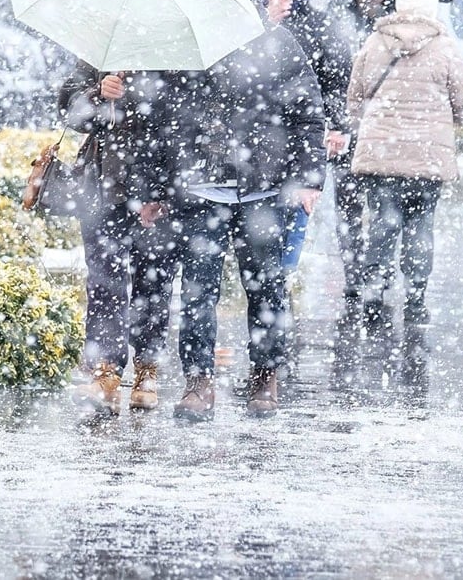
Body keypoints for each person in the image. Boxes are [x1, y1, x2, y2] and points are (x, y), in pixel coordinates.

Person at [132, 26, 327, 422]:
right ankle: (198, 380)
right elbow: (161, 119)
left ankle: (265, 374)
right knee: (198, 290)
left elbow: (307, 114)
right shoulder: (184, 43)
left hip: (264, 191)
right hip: (201, 191)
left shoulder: (277, 42)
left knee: (267, 287)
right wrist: (155, 187)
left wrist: (308, 179)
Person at [346, 0, 463, 369]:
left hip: (381, 152)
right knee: (421, 224)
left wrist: (370, 122)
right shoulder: (444, 47)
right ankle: (416, 295)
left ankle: (374, 291)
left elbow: (355, 97)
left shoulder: (375, 42)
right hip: (426, 157)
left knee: (383, 223)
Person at [55, 67, 191, 415]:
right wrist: (97, 94)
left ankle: (147, 370)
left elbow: (182, 123)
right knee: (103, 282)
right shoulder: (102, 46)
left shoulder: (173, 57)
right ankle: (105, 370)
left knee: (154, 282)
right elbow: (70, 112)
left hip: (154, 190)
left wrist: (161, 192)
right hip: (103, 188)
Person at [250, 0, 355, 290]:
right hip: (255, 135)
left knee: (296, 206)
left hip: (298, 130)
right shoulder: (246, 18)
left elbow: (336, 75)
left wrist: (337, 124)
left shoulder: (314, 22)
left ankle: (281, 278)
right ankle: (270, 282)